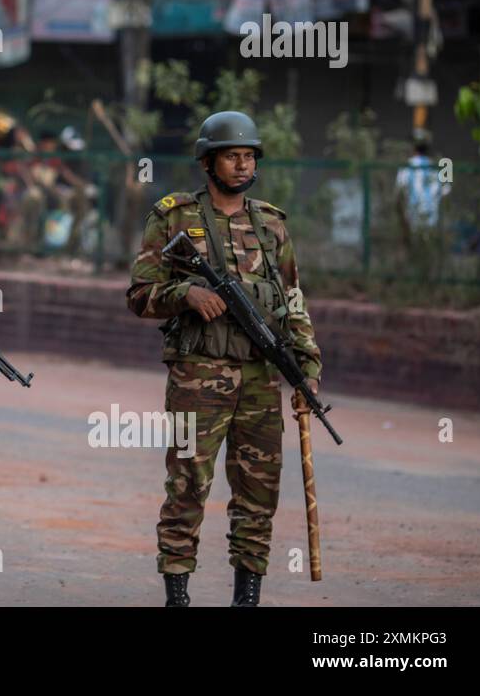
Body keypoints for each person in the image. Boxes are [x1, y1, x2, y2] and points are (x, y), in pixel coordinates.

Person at [127, 110, 323, 607]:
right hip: (199, 376)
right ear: (208, 161)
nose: (242, 165)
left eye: (249, 156)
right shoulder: (174, 216)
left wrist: (307, 371)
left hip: (261, 379)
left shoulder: (272, 224)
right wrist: (186, 295)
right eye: (232, 156)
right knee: (188, 486)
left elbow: (293, 301)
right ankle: (177, 595)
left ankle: (247, 597)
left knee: (258, 495)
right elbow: (139, 294)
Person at [395, 130, 450, 230]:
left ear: (412, 147)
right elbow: (446, 191)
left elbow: (400, 191)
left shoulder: (406, 167)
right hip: (433, 219)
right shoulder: (437, 167)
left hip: (413, 218)